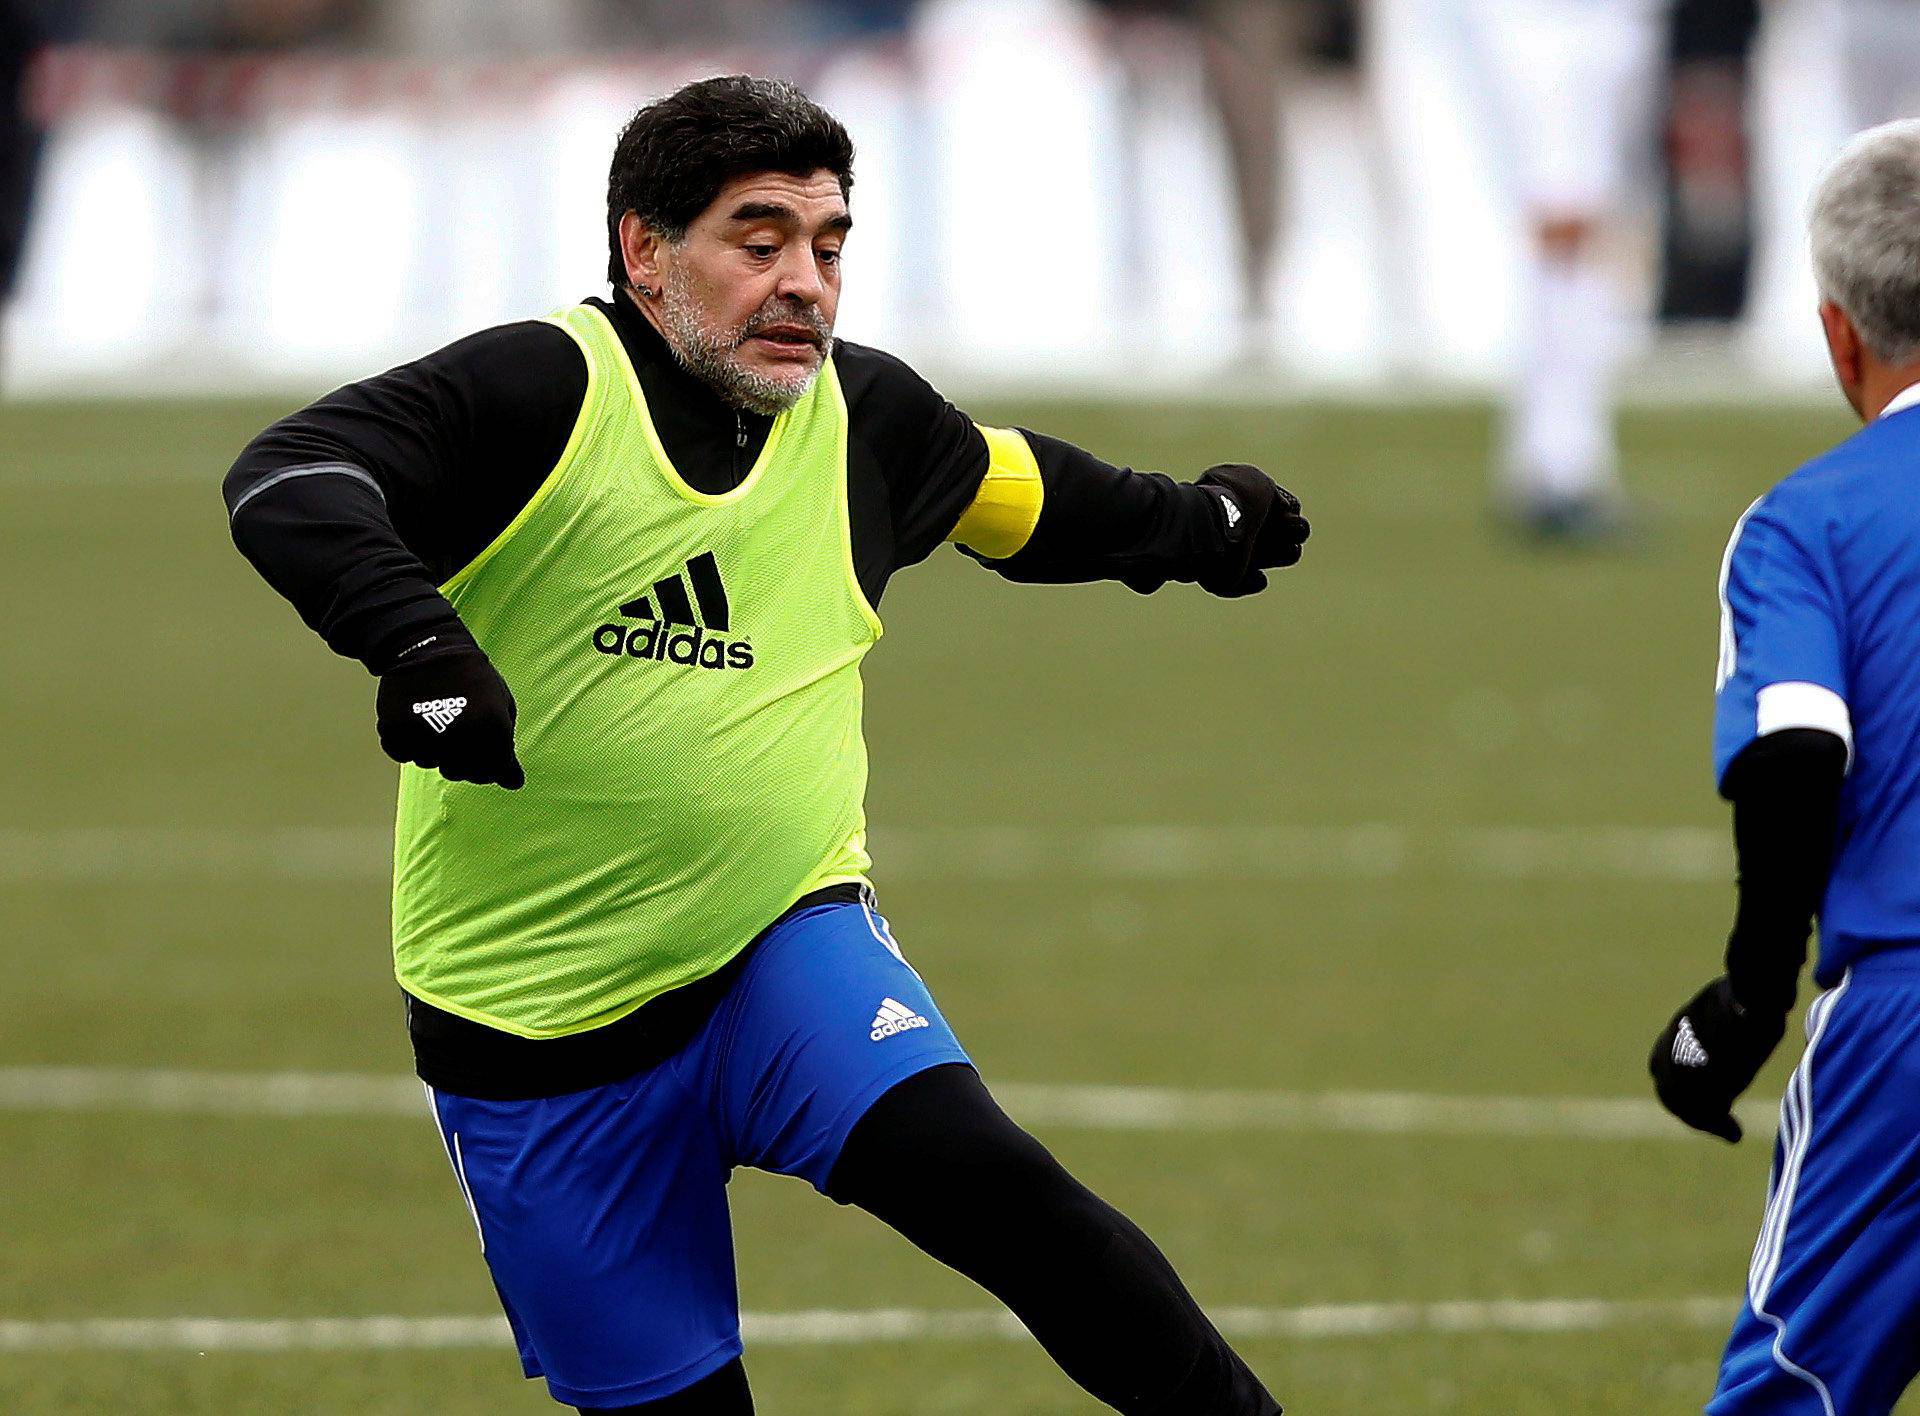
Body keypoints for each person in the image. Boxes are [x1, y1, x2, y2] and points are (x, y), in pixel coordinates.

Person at [223, 76, 1307, 1415]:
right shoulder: (546, 388)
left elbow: (1022, 496)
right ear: (643, 251)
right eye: (759, 241)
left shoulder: (868, 418)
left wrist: (1199, 527)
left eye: (829, 244)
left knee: (1008, 1198)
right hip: (533, 1027)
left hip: (779, 954)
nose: (806, 281)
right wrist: (423, 645)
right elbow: (288, 479)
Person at [1648, 118, 1920, 1415]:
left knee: (1794, 1394)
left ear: (1836, 337)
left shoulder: (1803, 524)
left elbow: (1799, 748)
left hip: (1905, 1028)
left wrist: (1747, 1002)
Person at [1462, 0, 1670, 540]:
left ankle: (1557, 460)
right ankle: (1559, 464)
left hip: (1611, 19)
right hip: (1538, 21)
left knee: (1590, 233)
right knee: (1565, 232)